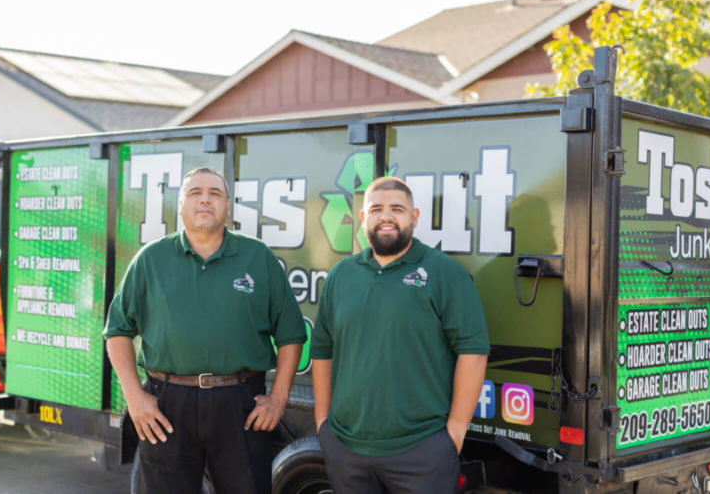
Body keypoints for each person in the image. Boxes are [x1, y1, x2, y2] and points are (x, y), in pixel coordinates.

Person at [104, 167, 306, 494]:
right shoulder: (150, 260)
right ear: (181, 205)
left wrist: (278, 399)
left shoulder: (258, 258)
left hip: (241, 403)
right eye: (196, 193)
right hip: (167, 404)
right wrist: (135, 398)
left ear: (228, 206)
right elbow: (117, 332)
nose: (205, 199)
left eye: (215, 193)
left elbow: (291, 335)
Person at [311, 176, 489, 494]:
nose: (386, 216)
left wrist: (454, 434)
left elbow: (473, 351)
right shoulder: (342, 274)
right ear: (364, 219)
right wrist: (323, 424)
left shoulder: (445, 273)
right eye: (376, 209)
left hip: (421, 450)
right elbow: (322, 348)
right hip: (346, 448)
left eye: (397, 208)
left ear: (414, 217)